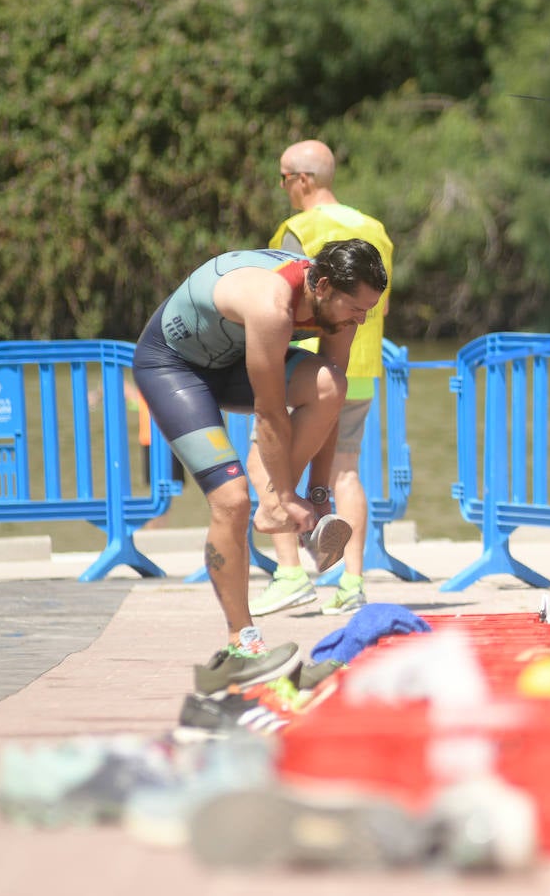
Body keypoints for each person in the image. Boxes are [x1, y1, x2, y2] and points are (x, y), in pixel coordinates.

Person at [132, 238, 388, 681]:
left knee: (329, 385)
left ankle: (281, 506)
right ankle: (242, 642)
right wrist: (281, 495)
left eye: (368, 310)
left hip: (232, 361)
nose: (361, 320)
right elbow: (270, 413)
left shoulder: (342, 311)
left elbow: (330, 402)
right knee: (232, 500)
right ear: (322, 286)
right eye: (355, 309)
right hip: (173, 369)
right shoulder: (271, 304)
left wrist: (320, 494)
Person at [249, 140, 395, 618]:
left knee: (267, 460)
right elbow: (379, 305)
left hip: (310, 373)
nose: (284, 188)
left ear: (303, 180)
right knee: (347, 471)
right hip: (362, 370)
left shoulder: (297, 229)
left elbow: (280, 303)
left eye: (283, 178)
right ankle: (351, 582)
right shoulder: (372, 228)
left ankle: (290, 573)